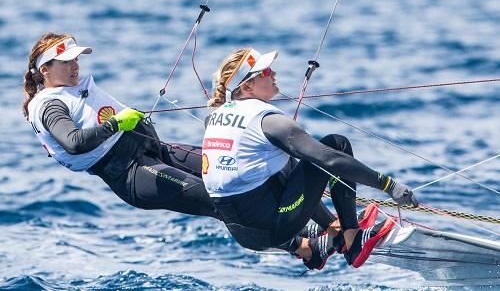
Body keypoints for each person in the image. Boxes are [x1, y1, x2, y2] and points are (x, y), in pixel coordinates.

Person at [22, 32, 342, 245]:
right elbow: (74, 142)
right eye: (66, 62)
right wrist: (117, 123)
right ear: (45, 70)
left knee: (238, 170)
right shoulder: (50, 104)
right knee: (224, 199)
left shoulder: (73, 89)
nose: (75, 66)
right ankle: (304, 245)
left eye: (77, 59)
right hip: (134, 175)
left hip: (156, 150)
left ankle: (333, 227)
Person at [202, 48, 419, 269]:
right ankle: (353, 242)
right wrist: (388, 185)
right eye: (265, 71)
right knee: (336, 145)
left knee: (279, 161)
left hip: (244, 233)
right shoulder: (267, 121)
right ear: (247, 87)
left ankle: (332, 231)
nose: (273, 73)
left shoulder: (215, 117)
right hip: (274, 229)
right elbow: (329, 159)